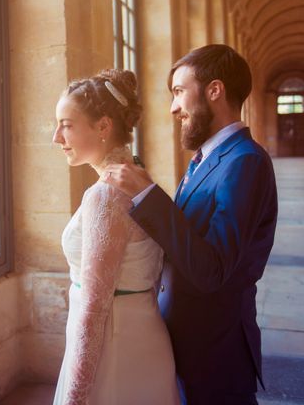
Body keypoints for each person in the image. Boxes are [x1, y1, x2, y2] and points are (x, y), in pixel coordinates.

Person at [104, 44, 278, 405]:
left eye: (179, 92)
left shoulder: (246, 162)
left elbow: (212, 269)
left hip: (216, 354)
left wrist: (150, 196)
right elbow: (187, 238)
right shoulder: (207, 158)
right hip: (185, 342)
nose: (173, 108)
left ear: (214, 90)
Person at [52, 69, 180, 405]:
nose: (56, 137)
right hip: (136, 331)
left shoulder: (106, 195)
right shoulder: (137, 175)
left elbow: (95, 307)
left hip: (115, 344)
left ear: (104, 127)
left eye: (66, 124)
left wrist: (76, 395)